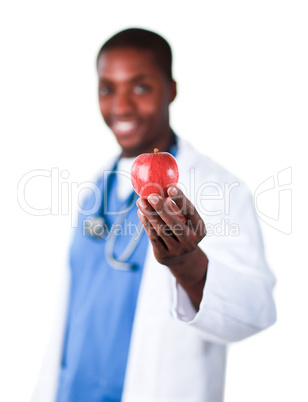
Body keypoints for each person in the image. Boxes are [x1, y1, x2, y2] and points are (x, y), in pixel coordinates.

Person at [32, 28, 276, 402]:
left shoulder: (217, 188)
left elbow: (255, 310)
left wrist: (188, 264)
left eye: (141, 87)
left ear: (171, 90)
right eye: (107, 88)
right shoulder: (95, 191)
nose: (121, 106)